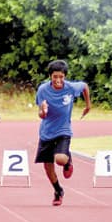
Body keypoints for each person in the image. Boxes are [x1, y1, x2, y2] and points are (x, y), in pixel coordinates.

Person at [35, 60, 91, 206]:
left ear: (65, 76)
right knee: (48, 167)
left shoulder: (71, 88)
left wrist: (88, 105)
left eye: (61, 77)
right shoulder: (43, 90)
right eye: (55, 77)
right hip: (46, 132)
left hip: (63, 129)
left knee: (60, 159)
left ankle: (68, 161)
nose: (58, 80)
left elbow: (84, 86)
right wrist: (43, 111)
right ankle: (58, 190)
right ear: (50, 76)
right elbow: (40, 114)